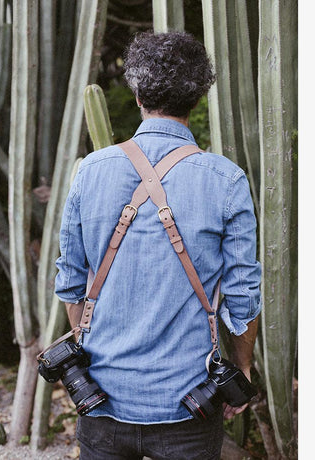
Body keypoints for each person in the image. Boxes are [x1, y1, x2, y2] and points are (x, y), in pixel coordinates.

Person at [55, 31, 262, 460]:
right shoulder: (226, 180)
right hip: (189, 404)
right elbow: (243, 298)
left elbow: (71, 283)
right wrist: (241, 367)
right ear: (198, 98)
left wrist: (88, 346)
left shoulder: (90, 171)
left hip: (101, 398)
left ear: (137, 96)